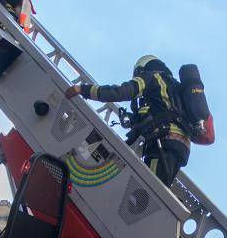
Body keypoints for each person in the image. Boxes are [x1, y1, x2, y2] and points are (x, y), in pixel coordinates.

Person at [65, 55, 190, 186]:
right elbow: (158, 113)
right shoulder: (174, 88)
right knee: (159, 186)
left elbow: (120, 92)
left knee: (149, 188)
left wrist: (83, 89)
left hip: (163, 140)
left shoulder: (152, 77)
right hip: (180, 145)